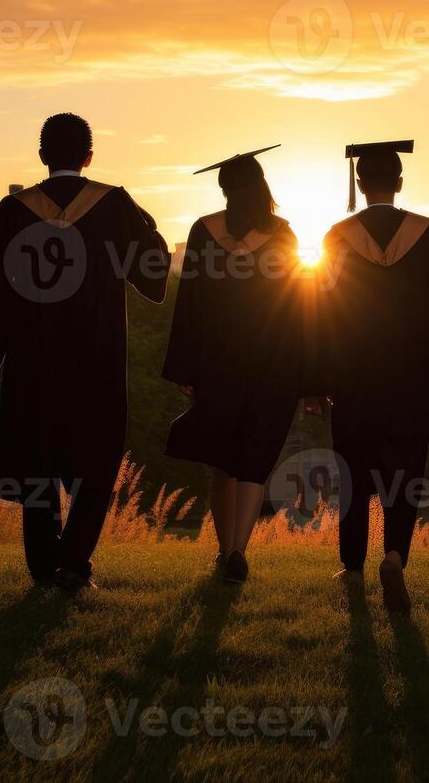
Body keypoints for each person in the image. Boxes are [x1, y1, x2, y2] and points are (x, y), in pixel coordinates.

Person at [0, 113, 170, 594]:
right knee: (100, 458)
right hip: (97, 360)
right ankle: (74, 562)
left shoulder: (14, 209)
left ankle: (42, 567)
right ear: (89, 157)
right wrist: (150, 228)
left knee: (37, 460)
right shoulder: (113, 204)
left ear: (41, 157)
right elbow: (153, 276)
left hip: (32, 362)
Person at [314, 140, 429, 613]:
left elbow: (321, 310)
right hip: (410, 377)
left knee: (354, 470)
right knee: (405, 470)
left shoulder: (336, 235)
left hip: (353, 377)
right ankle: (394, 554)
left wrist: (317, 379)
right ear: (399, 184)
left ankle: (353, 563)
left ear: (359, 184)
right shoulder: (428, 233)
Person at [161, 146, 306, 585]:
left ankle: (225, 551)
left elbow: (190, 305)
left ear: (224, 190)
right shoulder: (284, 235)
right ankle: (241, 548)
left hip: (218, 365)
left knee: (222, 459)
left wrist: (187, 369)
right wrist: (305, 371)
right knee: (254, 459)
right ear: (263, 189)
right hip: (272, 366)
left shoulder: (204, 232)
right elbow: (298, 307)